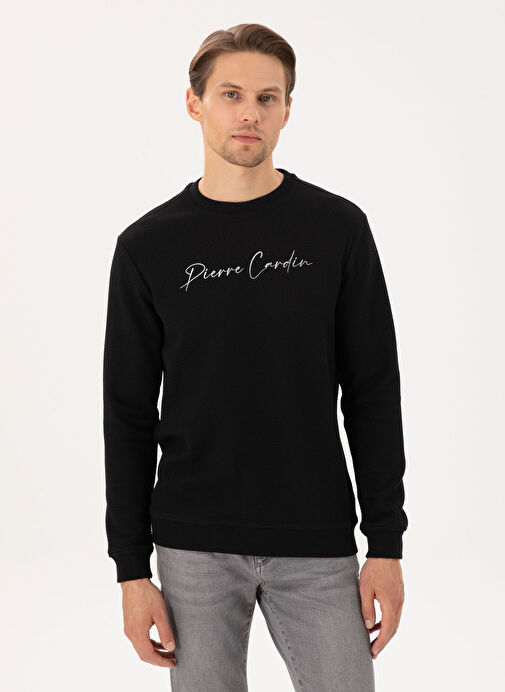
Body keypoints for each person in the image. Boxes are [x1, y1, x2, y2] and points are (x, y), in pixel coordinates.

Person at [103, 22, 408, 692]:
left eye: (268, 98)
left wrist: (385, 545)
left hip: (316, 537)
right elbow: (127, 414)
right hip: (191, 544)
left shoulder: (336, 230)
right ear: (195, 103)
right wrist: (131, 570)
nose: (250, 113)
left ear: (287, 110)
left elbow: (372, 392)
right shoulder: (148, 246)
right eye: (231, 94)